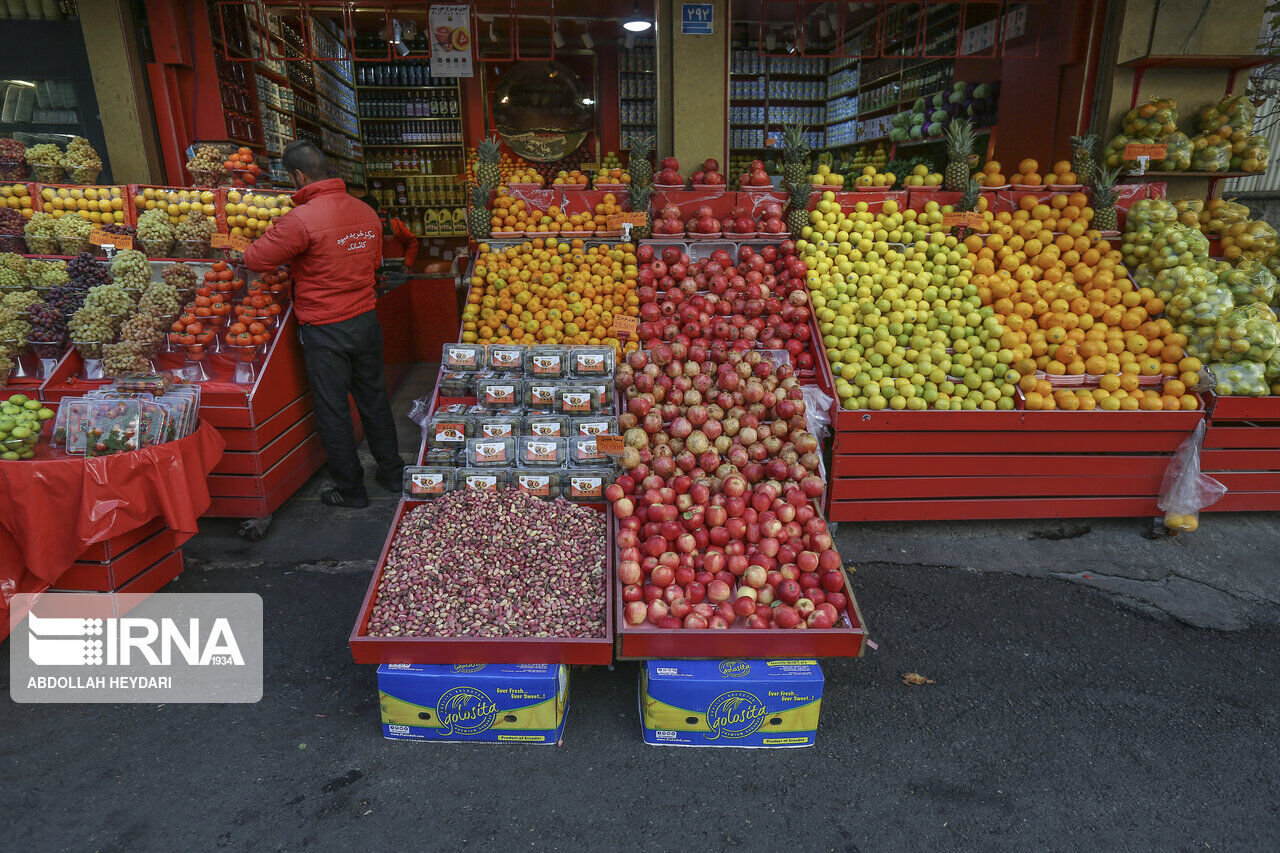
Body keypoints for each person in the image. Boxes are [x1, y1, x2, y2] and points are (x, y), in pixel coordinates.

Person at [243, 140, 404, 508]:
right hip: (365, 319)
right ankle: (393, 474)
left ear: (298, 176)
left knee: (333, 411)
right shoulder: (365, 212)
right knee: (374, 401)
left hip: (325, 328)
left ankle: (351, 490)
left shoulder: (299, 219)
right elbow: (374, 262)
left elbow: (255, 259)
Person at [364, 195, 419, 269]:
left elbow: (412, 242)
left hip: (396, 270)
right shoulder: (360, 227)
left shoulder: (393, 224)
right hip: (372, 271)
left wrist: (407, 264)